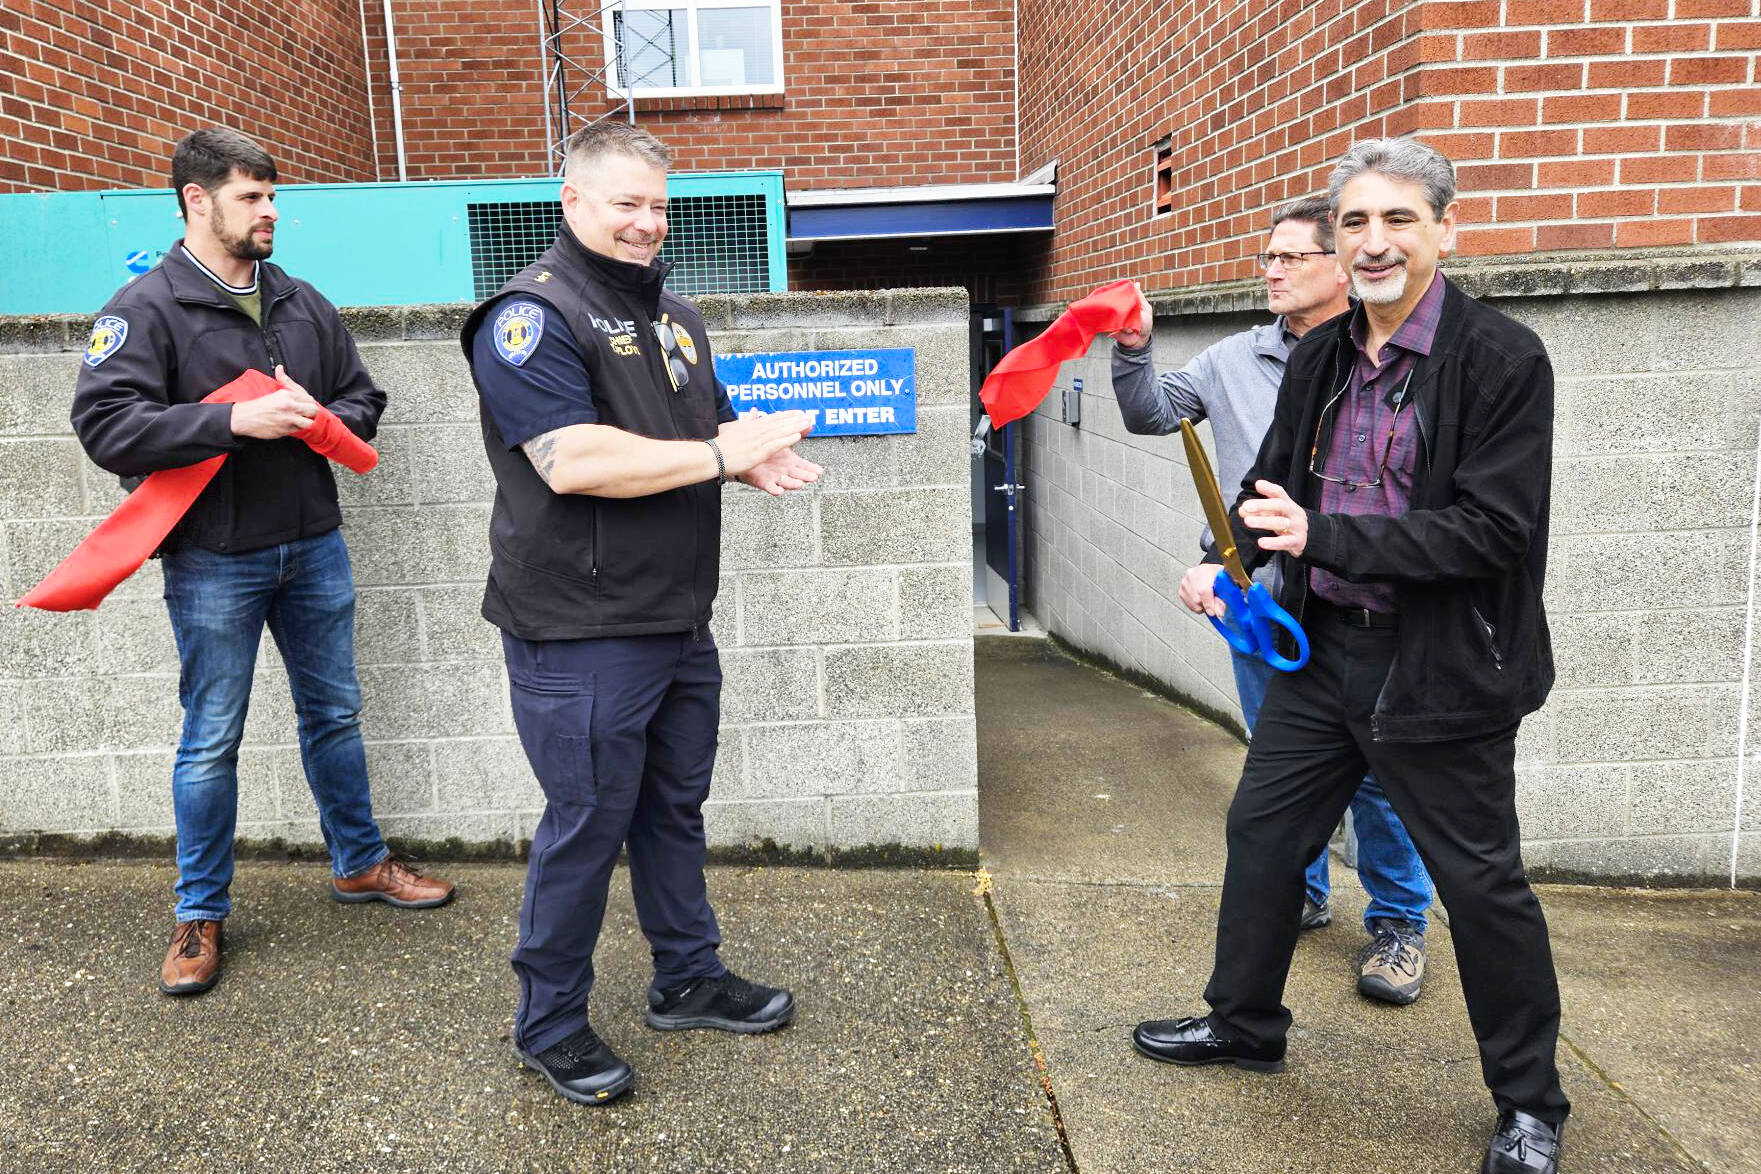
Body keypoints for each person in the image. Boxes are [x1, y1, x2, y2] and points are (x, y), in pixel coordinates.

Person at [1131, 137, 1569, 1174]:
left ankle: (1529, 1105)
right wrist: (1226, 563)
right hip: (1322, 657)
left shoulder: (1503, 359)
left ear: (1443, 231)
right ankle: (1243, 1021)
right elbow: (1274, 483)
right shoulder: (1324, 351)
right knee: (1263, 832)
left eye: (1398, 220)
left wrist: (1319, 536)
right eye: (1357, 223)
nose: (1374, 242)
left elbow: (1491, 532)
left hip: (1442, 669)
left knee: (1482, 885)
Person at [460, 121, 822, 1108]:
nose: (647, 222)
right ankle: (549, 1022)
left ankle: (687, 976)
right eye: (626, 202)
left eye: (660, 206)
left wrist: (747, 453)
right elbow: (572, 460)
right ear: (571, 201)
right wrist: (719, 455)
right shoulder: (529, 317)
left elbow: (705, 424)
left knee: (671, 807)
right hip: (578, 629)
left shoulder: (676, 314)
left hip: (673, 619)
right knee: (585, 821)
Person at [70, 127, 455, 999]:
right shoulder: (145, 309)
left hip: (314, 545)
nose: (270, 211)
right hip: (212, 561)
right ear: (195, 202)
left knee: (336, 716)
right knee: (211, 740)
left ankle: (360, 863)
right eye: (251, 197)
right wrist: (228, 423)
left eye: (273, 195)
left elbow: (367, 398)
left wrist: (327, 414)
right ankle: (199, 913)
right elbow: (106, 427)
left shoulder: (302, 302)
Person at [1108, 195, 1434, 1006]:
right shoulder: (1232, 358)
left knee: (1376, 775)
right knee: (1280, 763)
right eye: (1267, 258)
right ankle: (1306, 892)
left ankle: (1399, 924)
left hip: (1359, 604)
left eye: (1291, 257)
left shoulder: (1378, 357)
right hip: (1260, 604)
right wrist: (1132, 350)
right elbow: (1152, 412)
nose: (1272, 271)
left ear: (1340, 267)